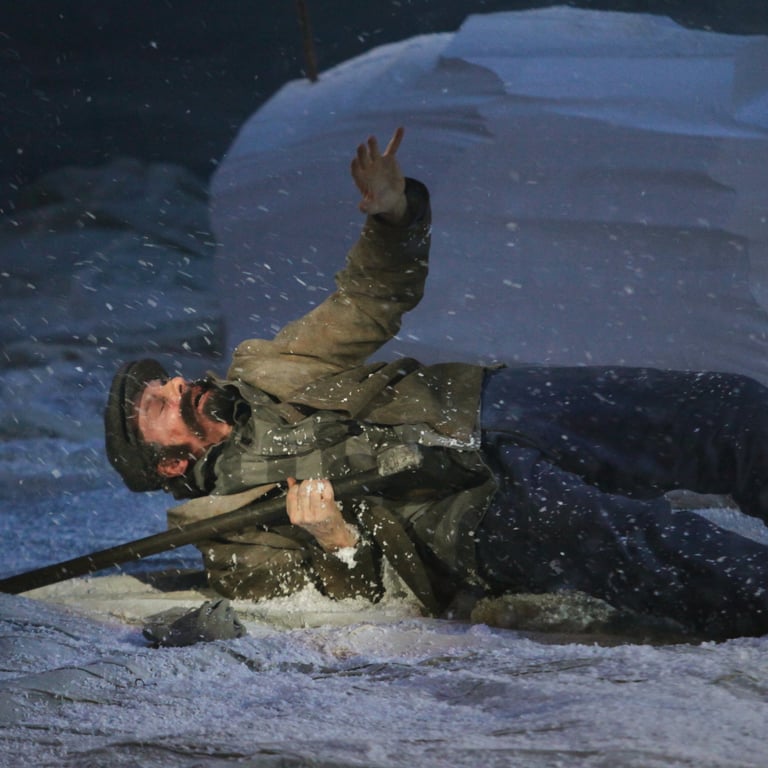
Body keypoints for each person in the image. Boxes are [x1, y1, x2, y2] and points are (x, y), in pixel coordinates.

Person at [105, 127, 768, 640]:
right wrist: (335, 540)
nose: (177, 384)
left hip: (485, 406)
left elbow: (367, 302)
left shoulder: (264, 368)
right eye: (157, 403)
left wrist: (393, 218)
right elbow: (343, 605)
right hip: (460, 515)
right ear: (169, 463)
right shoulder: (228, 538)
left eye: (166, 380)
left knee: (723, 410)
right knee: (654, 547)